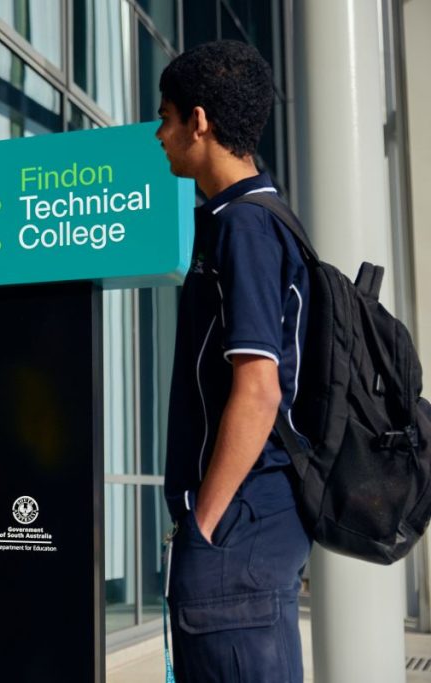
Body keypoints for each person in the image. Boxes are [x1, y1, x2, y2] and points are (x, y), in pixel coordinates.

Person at [157, 41, 312, 682]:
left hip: (237, 528)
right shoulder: (264, 216)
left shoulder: (242, 226)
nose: (159, 135)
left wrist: (202, 522)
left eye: (164, 117)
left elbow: (258, 389)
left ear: (200, 121)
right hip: (254, 527)